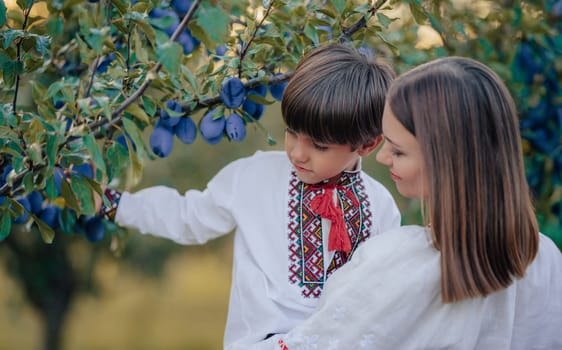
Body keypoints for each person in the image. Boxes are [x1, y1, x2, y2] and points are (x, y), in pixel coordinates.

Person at [100, 43, 401, 349]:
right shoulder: (253, 177)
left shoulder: (381, 207)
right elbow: (188, 216)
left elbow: (381, 296)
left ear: (366, 145)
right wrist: (115, 204)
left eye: (319, 146)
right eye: (291, 132)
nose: (298, 152)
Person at [256, 56, 562, 350]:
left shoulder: (395, 264)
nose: (381, 157)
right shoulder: (544, 258)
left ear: (448, 161)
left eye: (398, 151)